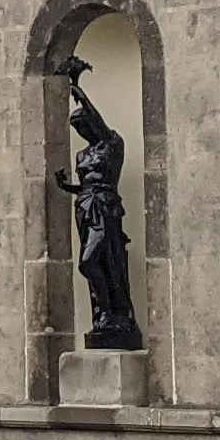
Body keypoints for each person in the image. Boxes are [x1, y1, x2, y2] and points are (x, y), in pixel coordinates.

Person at [53, 61, 145, 352]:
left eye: (84, 124)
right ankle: (103, 316)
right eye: (78, 127)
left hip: (105, 208)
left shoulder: (111, 144)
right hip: (85, 207)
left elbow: (101, 126)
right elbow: (87, 185)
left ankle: (115, 314)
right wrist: (68, 187)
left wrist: (79, 91)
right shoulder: (83, 155)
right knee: (96, 263)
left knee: (93, 260)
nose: (83, 130)